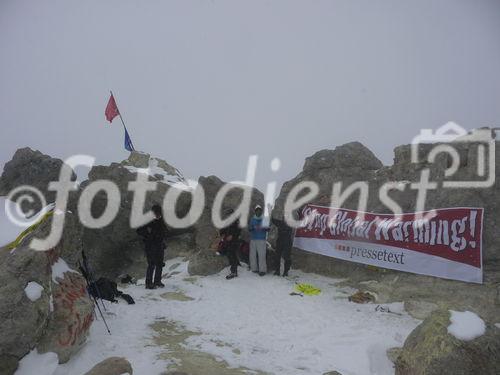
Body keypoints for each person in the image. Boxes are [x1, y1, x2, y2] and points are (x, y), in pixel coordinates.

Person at [137, 204, 168, 289]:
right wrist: (148, 235)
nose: (158, 216)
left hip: (160, 245)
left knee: (160, 264)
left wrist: (163, 238)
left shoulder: (161, 220)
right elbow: (139, 230)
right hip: (150, 245)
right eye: (156, 214)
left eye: (159, 214)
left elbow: (164, 231)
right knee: (151, 264)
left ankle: (157, 281)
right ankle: (148, 283)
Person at [219, 210, 242, 280]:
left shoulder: (236, 222)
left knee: (232, 254)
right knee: (230, 253)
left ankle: (234, 271)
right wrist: (222, 234)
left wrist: (232, 236)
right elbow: (223, 229)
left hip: (234, 241)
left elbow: (239, 231)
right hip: (227, 241)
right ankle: (236, 264)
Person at [249, 205, 269, 276]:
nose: (258, 212)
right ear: (255, 211)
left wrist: (263, 228)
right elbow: (249, 228)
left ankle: (262, 270)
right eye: (257, 210)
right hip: (253, 239)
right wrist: (253, 228)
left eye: (259, 210)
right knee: (252, 255)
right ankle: (254, 268)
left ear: (261, 211)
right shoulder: (252, 219)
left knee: (262, 255)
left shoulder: (265, 219)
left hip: (261, 239)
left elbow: (268, 229)